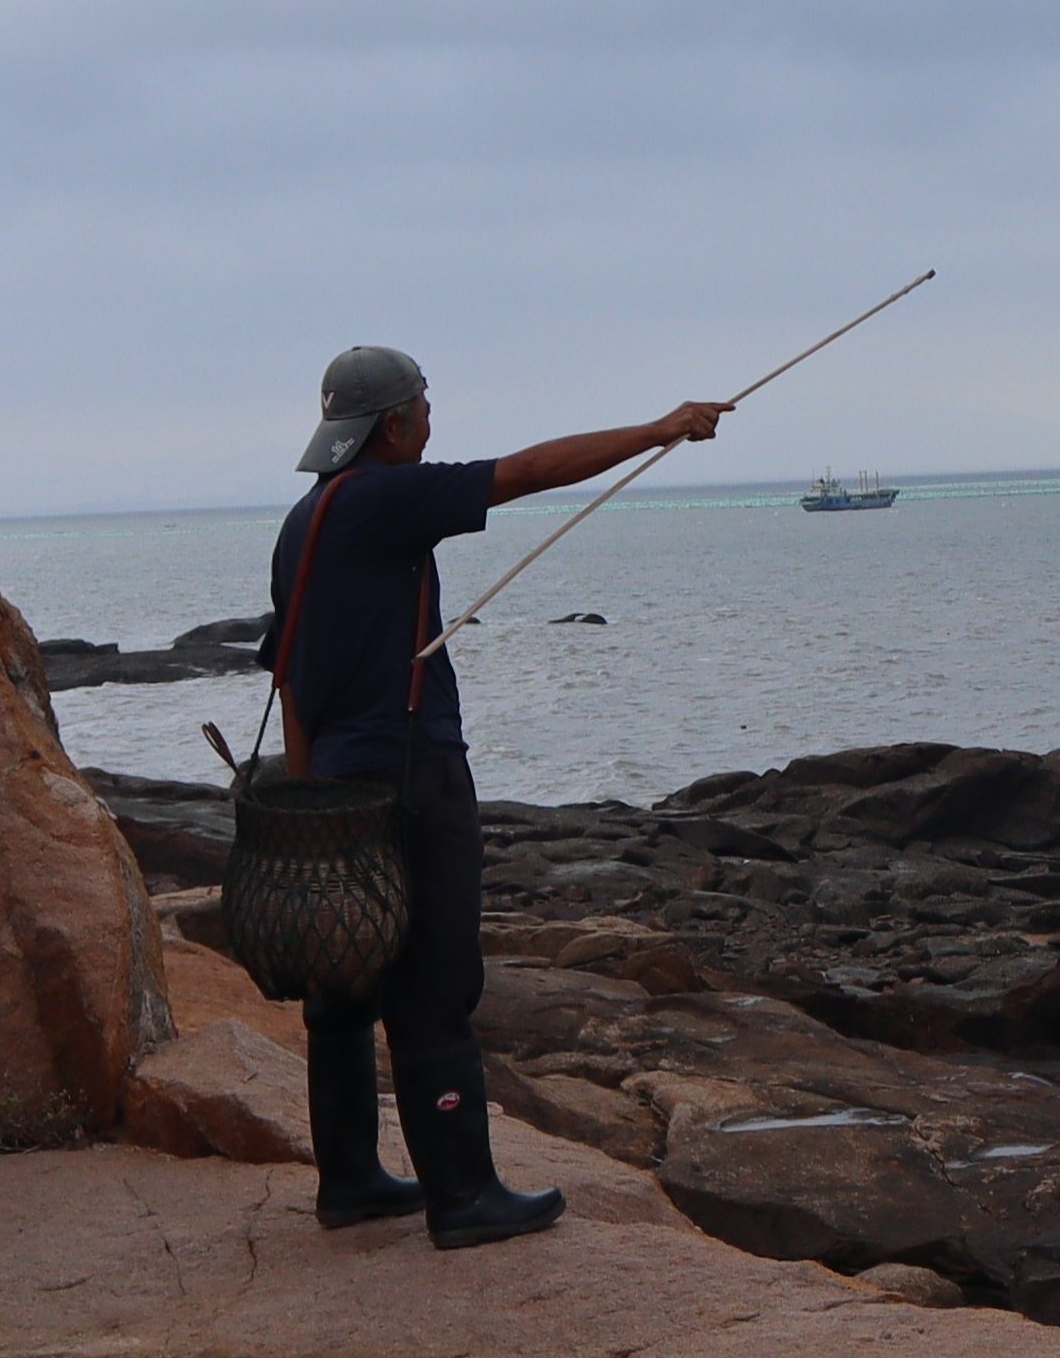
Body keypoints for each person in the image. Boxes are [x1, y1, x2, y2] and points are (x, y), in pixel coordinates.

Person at [259, 345, 727, 1249]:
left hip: (338, 788)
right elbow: (526, 472)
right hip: (411, 775)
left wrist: (310, 794)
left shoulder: (304, 517)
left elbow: (285, 671)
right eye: (424, 405)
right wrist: (661, 428)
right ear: (392, 424)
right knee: (435, 981)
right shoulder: (388, 498)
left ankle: (351, 1180)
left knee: (346, 983)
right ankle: (464, 1196)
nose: (432, 418)